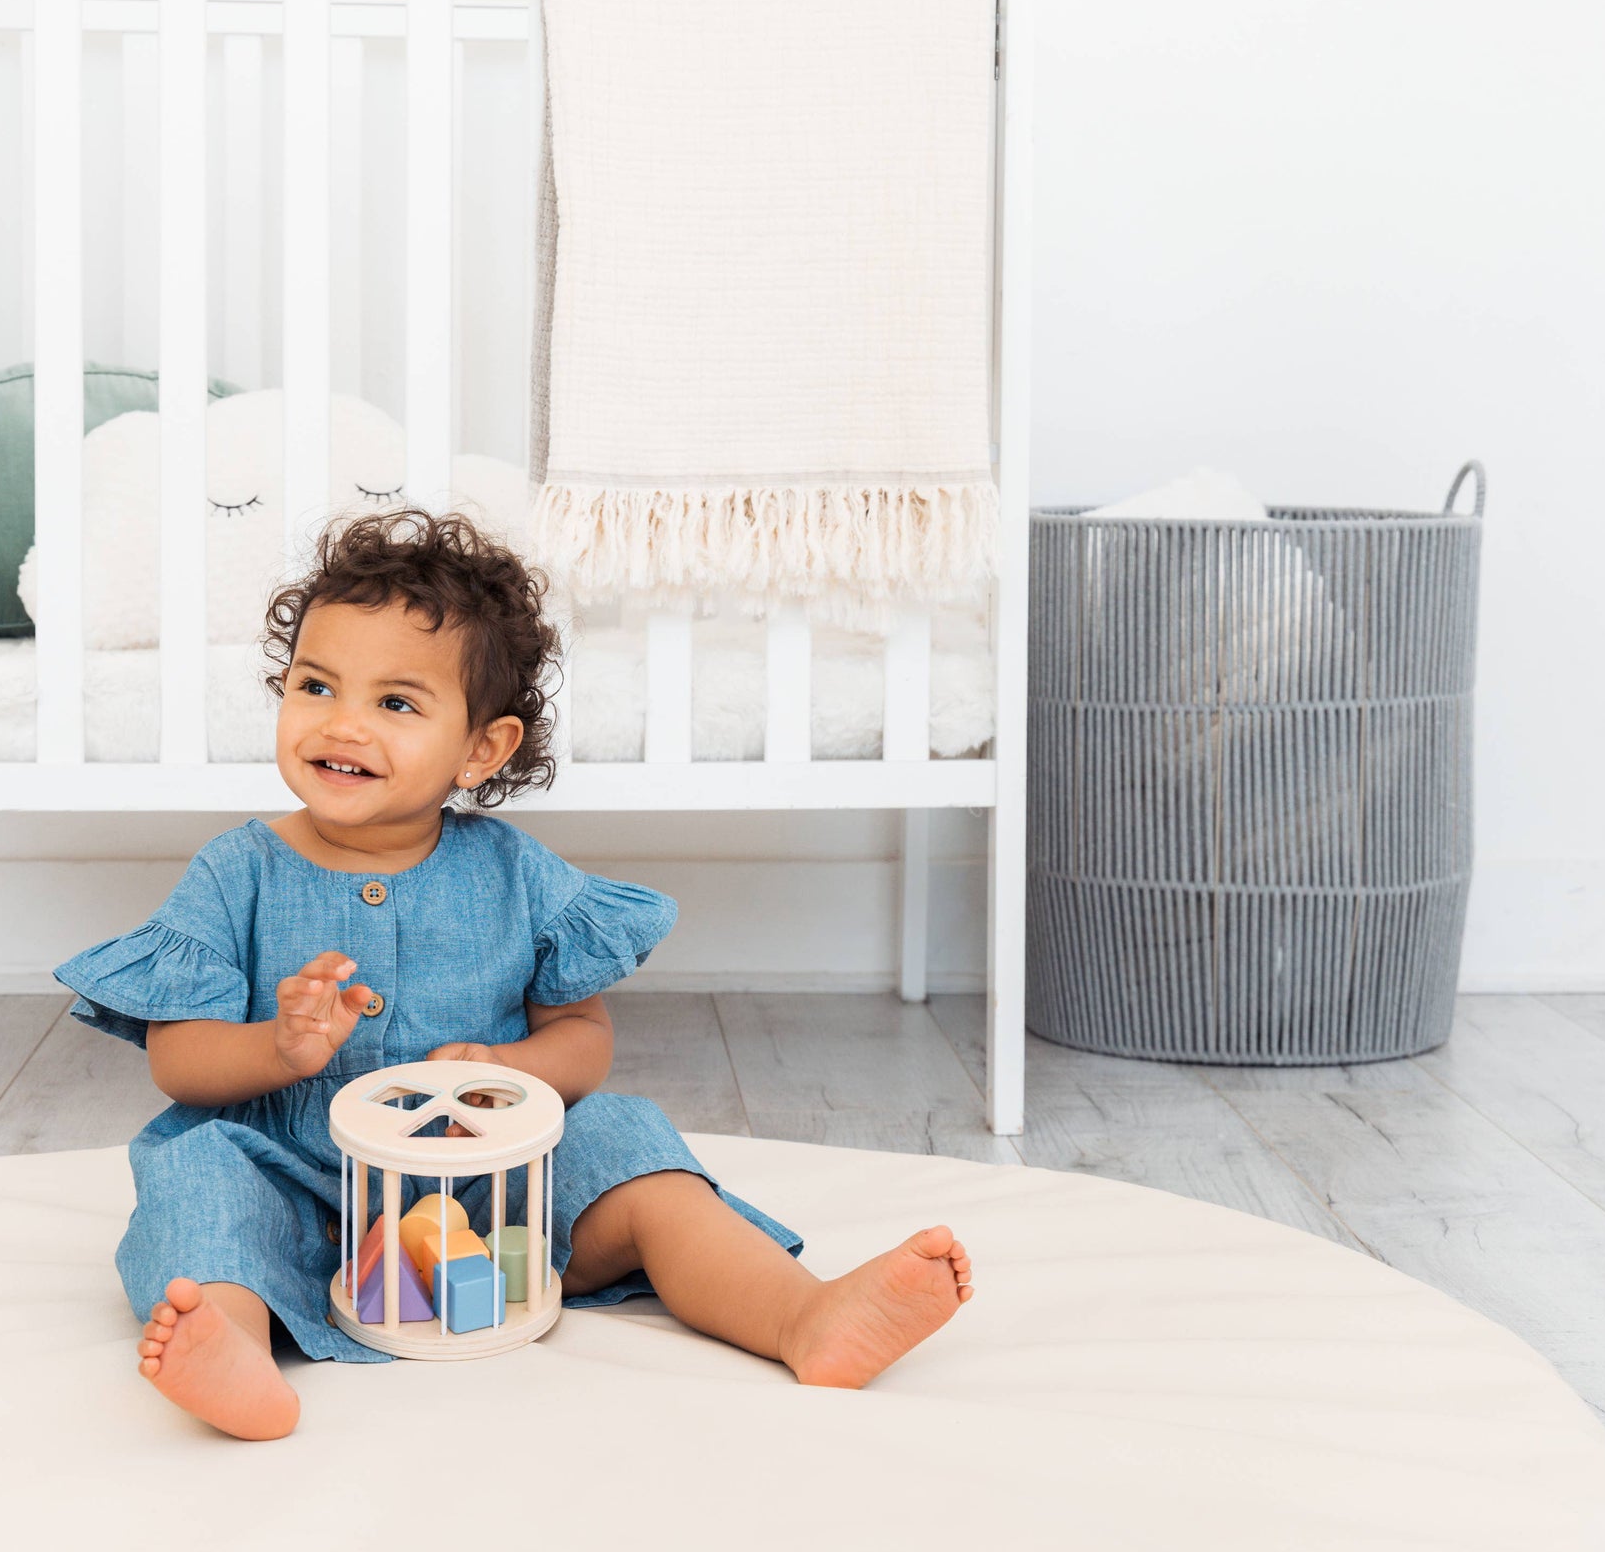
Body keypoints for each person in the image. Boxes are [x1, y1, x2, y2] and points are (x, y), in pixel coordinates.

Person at [54, 507, 973, 1440]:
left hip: (496, 1197)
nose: (343, 724)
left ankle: (802, 1316)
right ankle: (241, 1354)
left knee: (626, 1141)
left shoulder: (516, 871)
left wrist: (513, 1067)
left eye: (396, 703)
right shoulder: (235, 869)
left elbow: (585, 1039)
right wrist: (277, 1045)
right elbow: (179, 1062)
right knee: (199, 1176)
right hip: (294, 1187)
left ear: (482, 748)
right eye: (317, 685)